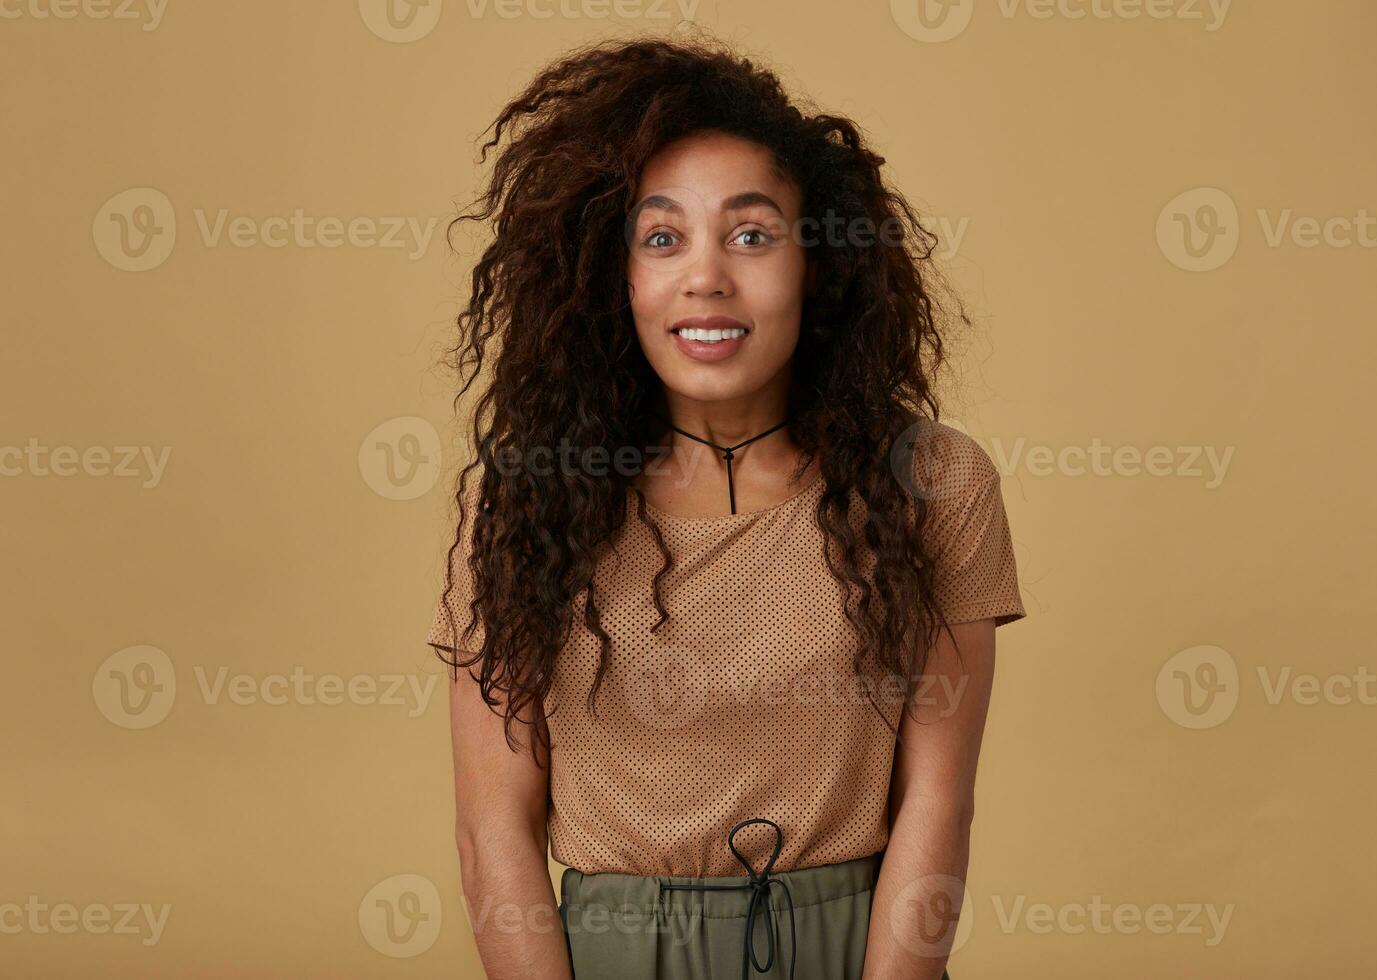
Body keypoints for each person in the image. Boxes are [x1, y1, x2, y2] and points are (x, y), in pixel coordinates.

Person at [427, 32, 1026, 980]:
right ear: (611, 277)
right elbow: (491, 826)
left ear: (817, 265)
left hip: (857, 951)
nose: (706, 275)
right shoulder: (525, 501)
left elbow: (937, 805)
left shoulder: (935, 485)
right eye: (661, 237)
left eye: (752, 234)